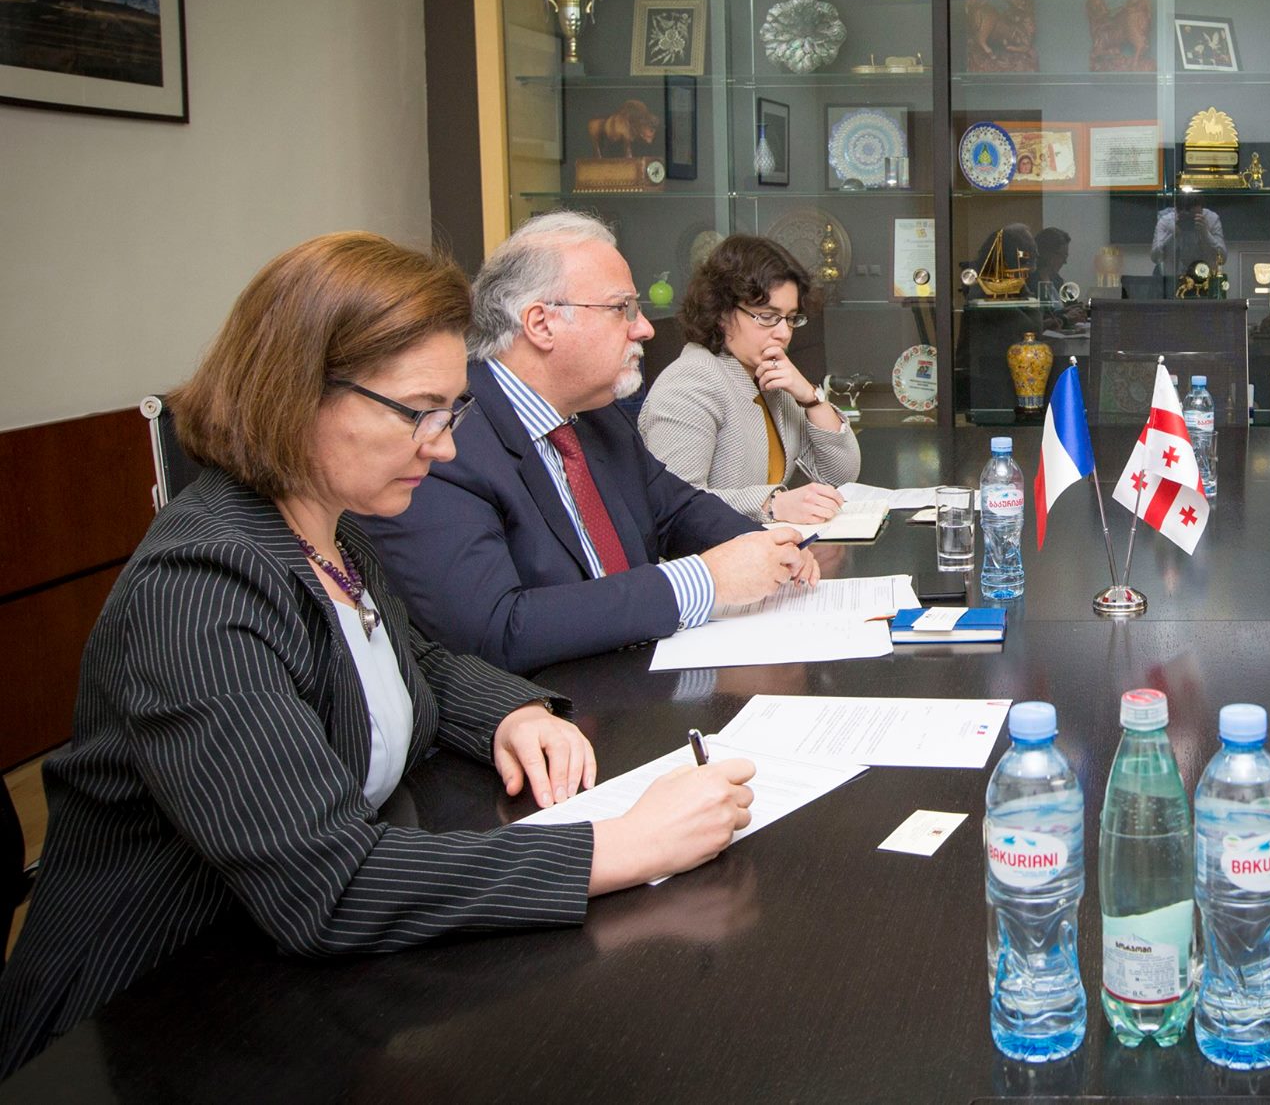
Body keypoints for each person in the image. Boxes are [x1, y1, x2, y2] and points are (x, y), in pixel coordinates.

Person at [0, 234, 758, 1077]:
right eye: (418, 412)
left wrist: (509, 711)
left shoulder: (330, 529)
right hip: (140, 1019)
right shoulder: (199, 590)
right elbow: (327, 886)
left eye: (452, 412)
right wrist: (620, 847)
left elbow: (413, 659)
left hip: (272, 976)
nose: (444, 446)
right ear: (297, 394)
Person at [363, 212, 817, 675]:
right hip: (548, 708)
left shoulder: (597, 416)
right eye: (623, 309)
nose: (644, 328)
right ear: (541, 323)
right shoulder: (446, 441)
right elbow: (496, 630)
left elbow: (676, 510)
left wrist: (766, 545)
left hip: (637, 680)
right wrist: (705, 580)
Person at [638, 235, 859, 524]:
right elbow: (674, 505)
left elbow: (840, 476)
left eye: (791, 318)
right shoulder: (689, 383)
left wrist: (810, 397)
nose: (784, 333)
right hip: (713, 553)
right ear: (722, 313)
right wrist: (772, 504)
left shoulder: (769, 377)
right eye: (767, 316)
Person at [1150, 185, 1227, 276]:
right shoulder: (1166, 222)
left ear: (1202, 209)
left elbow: (1223, 259)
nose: (1190, 220)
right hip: (1173, 277)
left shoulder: (1211, 219)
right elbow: (1155, 257)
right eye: (1187, 217)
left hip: (1203, 277)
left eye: (1195, 215)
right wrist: (1173, 235)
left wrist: (1206, 233)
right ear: (1177, 211)